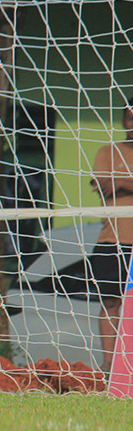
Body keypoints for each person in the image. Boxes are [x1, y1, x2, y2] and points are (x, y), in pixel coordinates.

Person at [91, 97, 133, 376]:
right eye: (128, 117)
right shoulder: (109, 151)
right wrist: (118, 183)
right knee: (110, 303)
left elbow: (114, 184)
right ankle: (109, 365)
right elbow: (103, 185)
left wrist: (122, 183)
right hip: (114, 240)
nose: (132, 124)